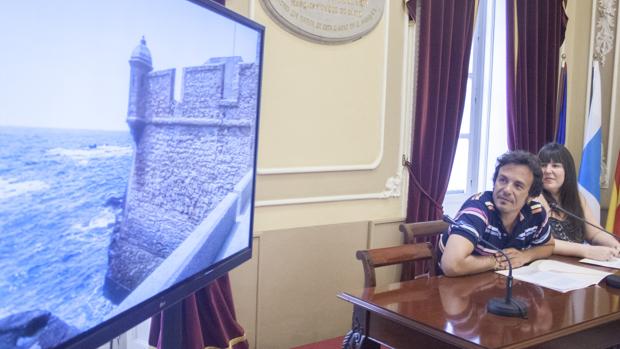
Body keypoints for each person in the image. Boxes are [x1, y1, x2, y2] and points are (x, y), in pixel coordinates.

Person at [439, 150, 554, 276]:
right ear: (494, 182)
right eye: (503, 180)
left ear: (531, 195)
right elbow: (452, 265)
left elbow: (548, 246)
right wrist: (496, 262)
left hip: (496, 283)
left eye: (518, 186)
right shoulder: (478, 210)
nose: (507, 190)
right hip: (451, 287)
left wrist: (525, 256)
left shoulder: (535, 212)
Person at [537, 142, 620, 261]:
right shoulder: (533, 198)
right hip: (546, 267)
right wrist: (587, 251)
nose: (548, 170)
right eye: (543, 165)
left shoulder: (578, 198)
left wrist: (615, 245)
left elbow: (595, 233)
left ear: (567, 171)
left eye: (555, 165)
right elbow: (544, 241)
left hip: (578, 266)